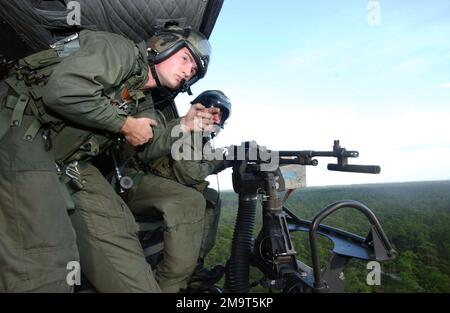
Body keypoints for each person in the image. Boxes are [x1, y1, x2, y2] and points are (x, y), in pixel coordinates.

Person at [0, 25, 216, 292]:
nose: (188, 71)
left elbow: (147, 148)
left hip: (68, 160)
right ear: (162, 45)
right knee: (47, 257)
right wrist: (124, 124)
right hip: (19, 132)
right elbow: (63, 91)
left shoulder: (142, 100)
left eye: (194, 70)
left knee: (118, 233)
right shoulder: (119, 50)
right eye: (186, 59)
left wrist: (184, 125)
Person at [123, 90, 231, 292]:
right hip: (135, 184)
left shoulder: (200, 139)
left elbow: (202, 163)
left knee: (211, 198)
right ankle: (167, 284)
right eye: (213, 111)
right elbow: (189, 174)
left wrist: (226, 156)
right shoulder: (186, 131)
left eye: (221, 115)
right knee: (192, 200)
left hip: (156, 183)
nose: (216, 118)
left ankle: (195, 268)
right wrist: (221, 160)